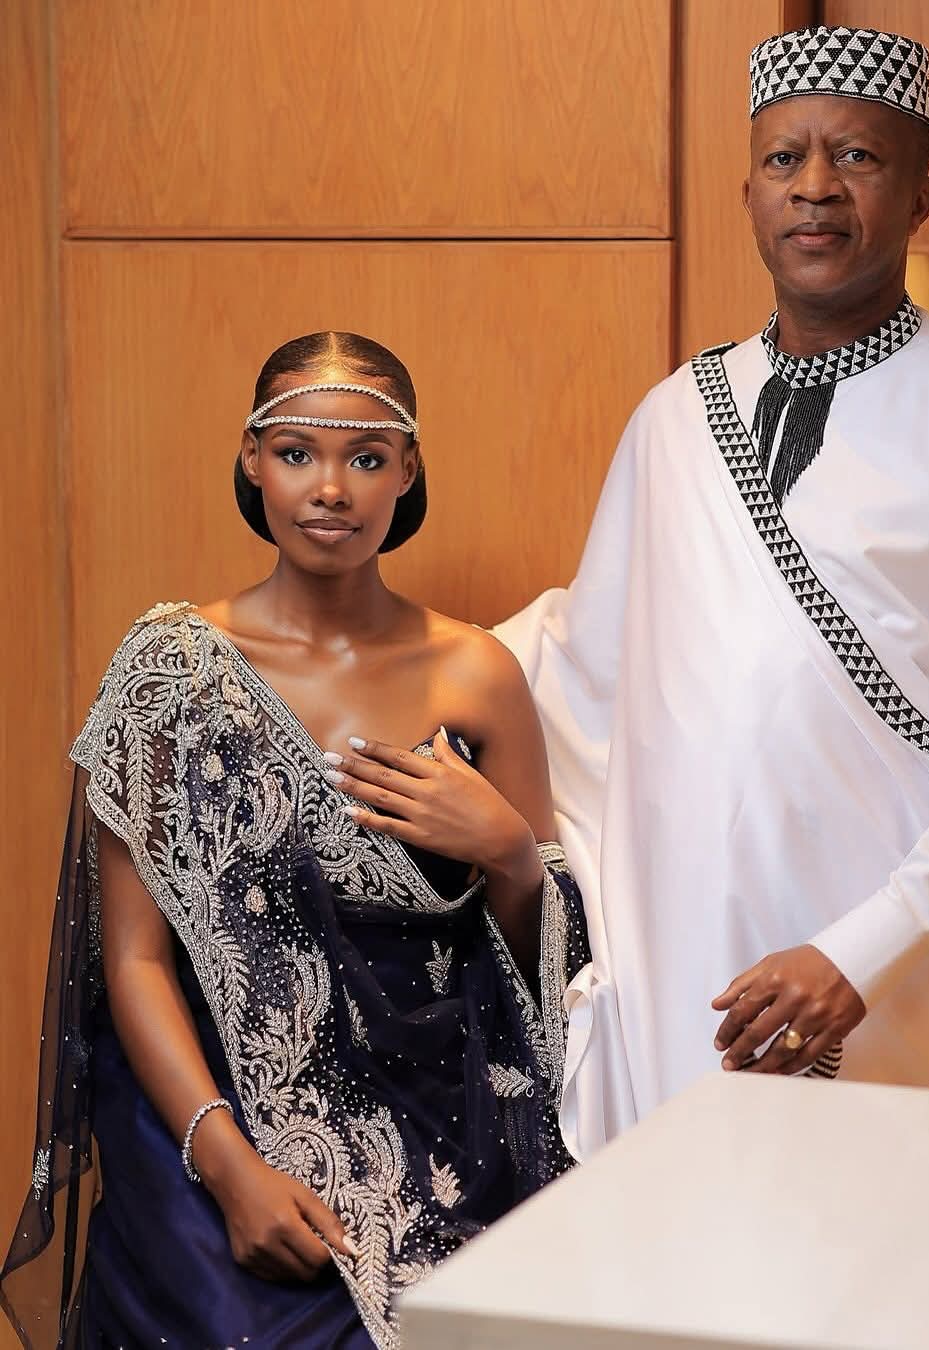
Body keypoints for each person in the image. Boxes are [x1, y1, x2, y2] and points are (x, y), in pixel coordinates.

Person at [497, 25, 929, 1158]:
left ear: (921, 198)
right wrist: (378, 670)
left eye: (857, 156)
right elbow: (588, 662)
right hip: (690, 971)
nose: (815, 187)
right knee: (688, 1253)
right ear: (750, 193)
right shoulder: (675, 416)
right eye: (784, 158)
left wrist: (861, 953)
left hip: (914, 985)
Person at [1, 332, 589, 1349]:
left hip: (446, 1119)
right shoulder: (171, 671)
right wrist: (227, 1164)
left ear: (407, 470)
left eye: (366, 457)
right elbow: (134, 959)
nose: (330, 489)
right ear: (251, 458)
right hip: (217, 1102)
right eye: (296, 453)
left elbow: (546, 967)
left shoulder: (477, 675)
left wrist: (504, 850)